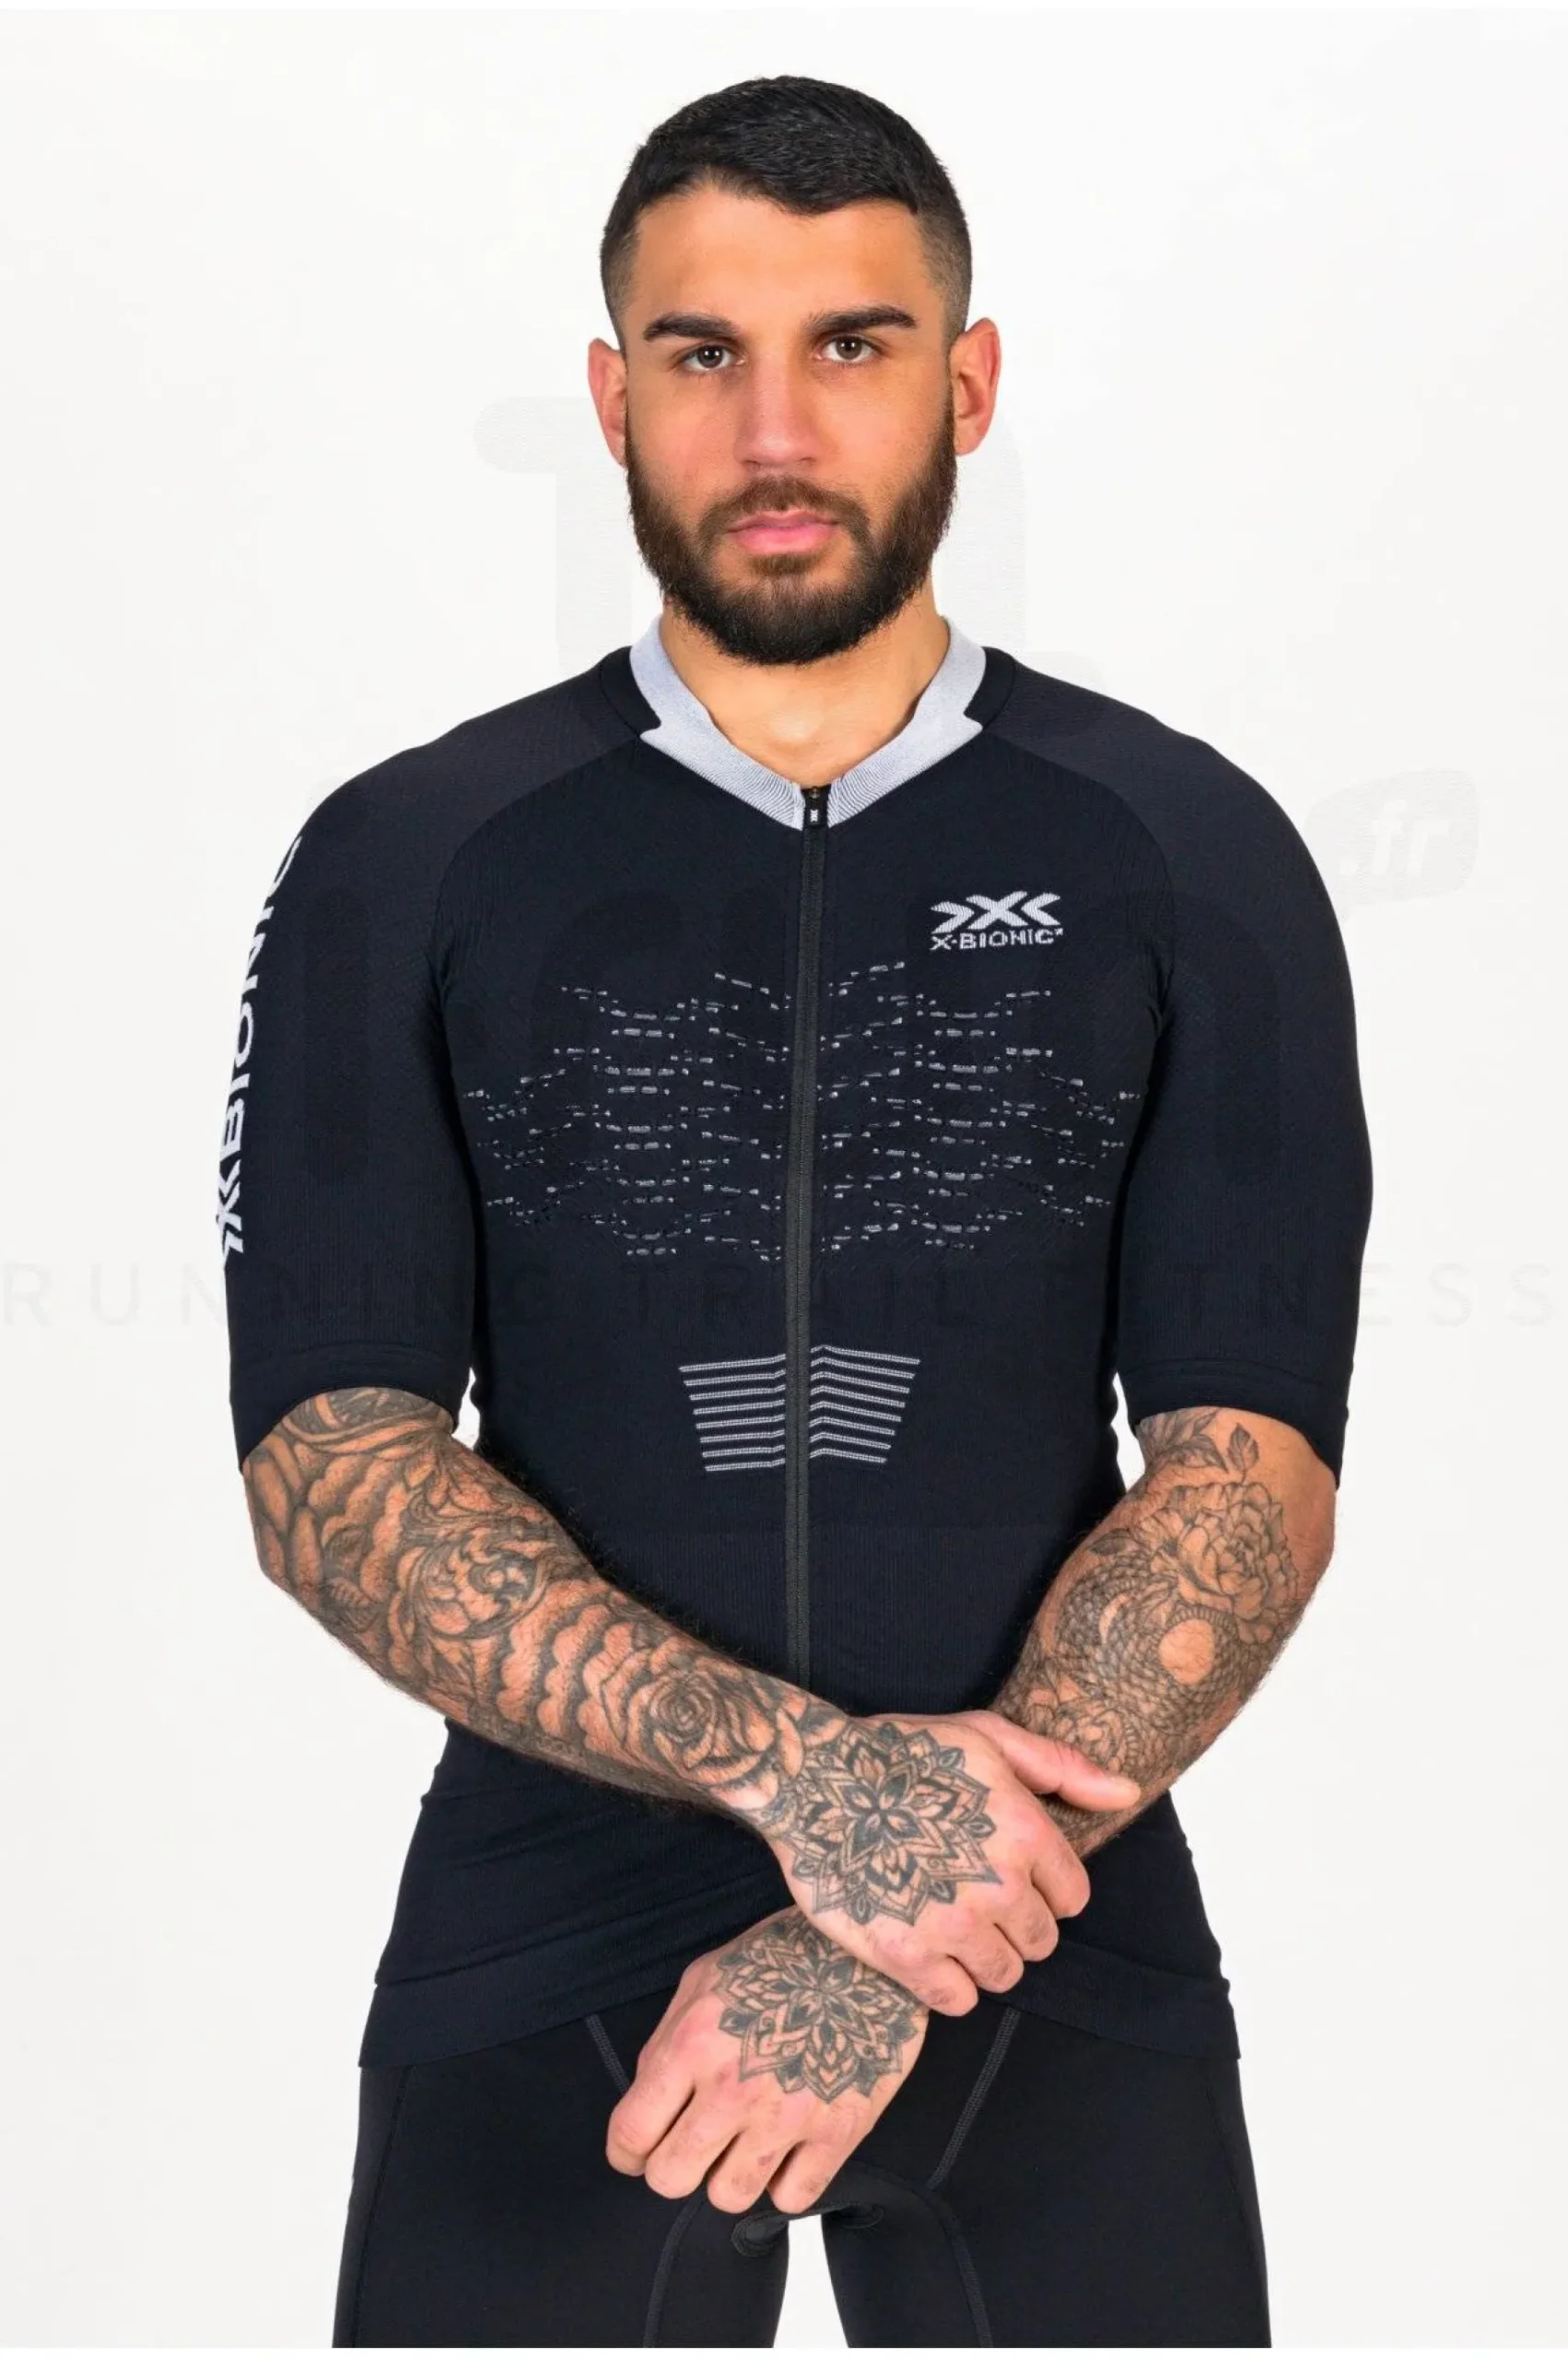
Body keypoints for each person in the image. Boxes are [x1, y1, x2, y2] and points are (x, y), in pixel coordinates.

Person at [217, 74, 1372, 2349]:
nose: (772, 428)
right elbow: (326, 1457)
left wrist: (888, 1917)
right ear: (606, 395)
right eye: (698, 351)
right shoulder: (407, 857)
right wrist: (811, 1788)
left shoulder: (1183, 849)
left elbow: (1247, 1468)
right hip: (553, 1932)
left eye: (849, 344)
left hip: (1058, 1938)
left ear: (967, 383)